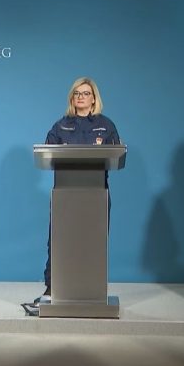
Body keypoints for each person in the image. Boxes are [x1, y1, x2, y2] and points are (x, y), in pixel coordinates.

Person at [37, 77, 120, 304]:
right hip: (65, 194)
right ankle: (52, 287)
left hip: (96, 193)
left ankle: (92, 290)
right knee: (58, 242)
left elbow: (116, 153)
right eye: (77, 93)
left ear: (94, 99)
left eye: (86, 93)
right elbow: (46, 151)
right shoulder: (60, 126)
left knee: (94, 243)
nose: (81, 97)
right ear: (71, 98)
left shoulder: (106, 126)